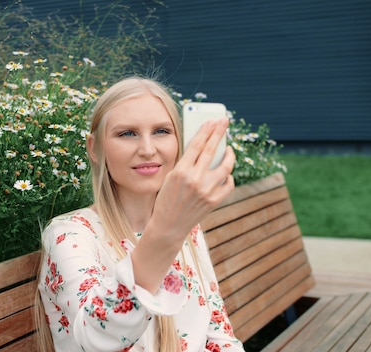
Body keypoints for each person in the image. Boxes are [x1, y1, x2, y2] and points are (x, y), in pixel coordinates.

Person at [36, 76, 244, 352]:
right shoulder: (70, 235)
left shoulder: (187, 228)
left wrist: (174, 226)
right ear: (94, 149)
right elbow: (98, 338)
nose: (148, 149)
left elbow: (219, 338)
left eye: (161, 131)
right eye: (127, 134)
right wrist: (166, 232)